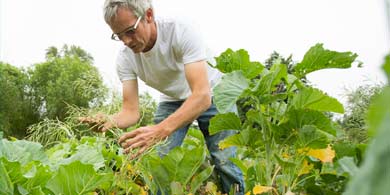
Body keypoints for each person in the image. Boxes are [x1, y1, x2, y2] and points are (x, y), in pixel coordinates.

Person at [82, 0, 244, 194]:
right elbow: (130, 112)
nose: (126, 41)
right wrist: (109, 121)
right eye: (118, 35)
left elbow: (202, 96)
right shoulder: (125, 58)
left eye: (130, 31)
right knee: (160, 164)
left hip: (213, 93)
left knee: (225, 160)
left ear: (149, 15)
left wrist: (160, 130)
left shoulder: (180, 30)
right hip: (172, 100)